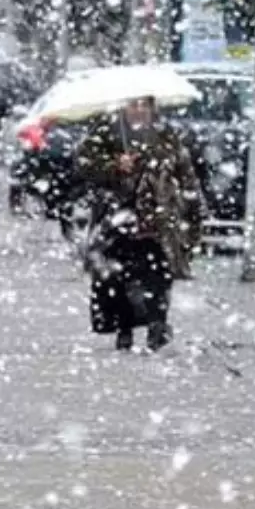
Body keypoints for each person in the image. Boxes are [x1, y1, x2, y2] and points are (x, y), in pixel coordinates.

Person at [75, 96, 202, 352]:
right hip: (117, 218)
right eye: (134, 104)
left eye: (145, 104)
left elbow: (185, 172)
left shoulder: (166, 134)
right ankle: (125, 328)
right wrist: (114, 166)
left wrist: (191, 209)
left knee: (157, 275)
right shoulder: (107, 132)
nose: (140, 110)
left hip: (157, 220)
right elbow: (83, 166)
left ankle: (157, 325)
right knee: (119, 276)